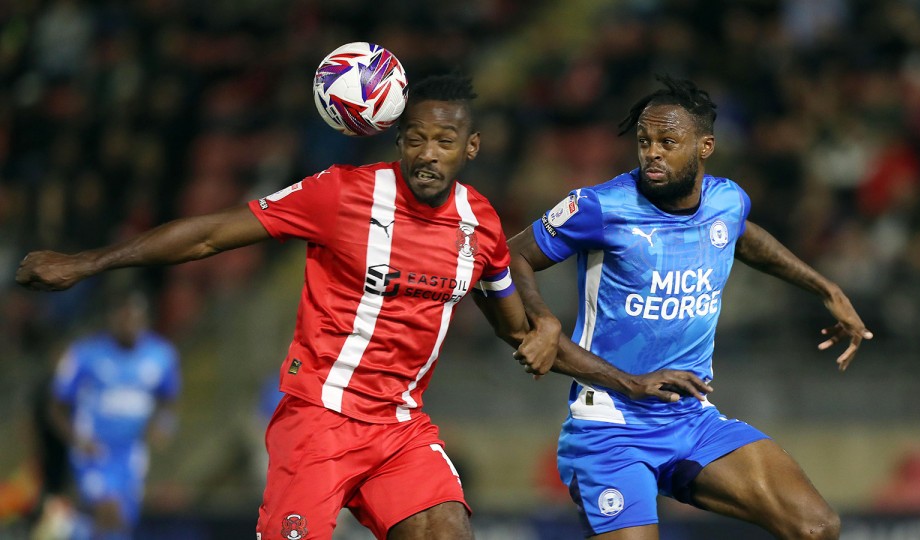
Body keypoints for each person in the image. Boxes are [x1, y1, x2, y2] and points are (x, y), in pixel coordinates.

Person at [17, 73, 646, 540]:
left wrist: (623, 378)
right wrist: (88, 262)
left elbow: (520, 329)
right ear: (399, 138)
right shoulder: (340, 196)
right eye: (417, 139)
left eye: (445, 141)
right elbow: (212, 233)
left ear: (470, 147)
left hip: (399, 427)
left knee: (447, 529)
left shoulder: (478, 223)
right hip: (318, 419)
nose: (428, 154)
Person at [507, 75, 874, 540]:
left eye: (668, 141)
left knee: (817, 526)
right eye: (644, 141)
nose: (652, 152)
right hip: (610, 424)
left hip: (690, 419)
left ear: (705, 147)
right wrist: (542, 317)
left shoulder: (726, 201)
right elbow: (510, 254)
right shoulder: (600, 206)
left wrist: (825, 288)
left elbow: (744, 236)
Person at [46, 289, 180, 539]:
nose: (129, 323)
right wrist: (76, 440)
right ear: (112, 319)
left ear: (145, 319)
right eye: (123, 317)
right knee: (109, 511)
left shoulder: (162, 356)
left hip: (131, 452)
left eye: (135, 317)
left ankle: (71, 528)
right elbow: (55, 407)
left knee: (122, 523)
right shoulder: (84, 355)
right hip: (94, 450)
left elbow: (168, 400)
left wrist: (163, 424)